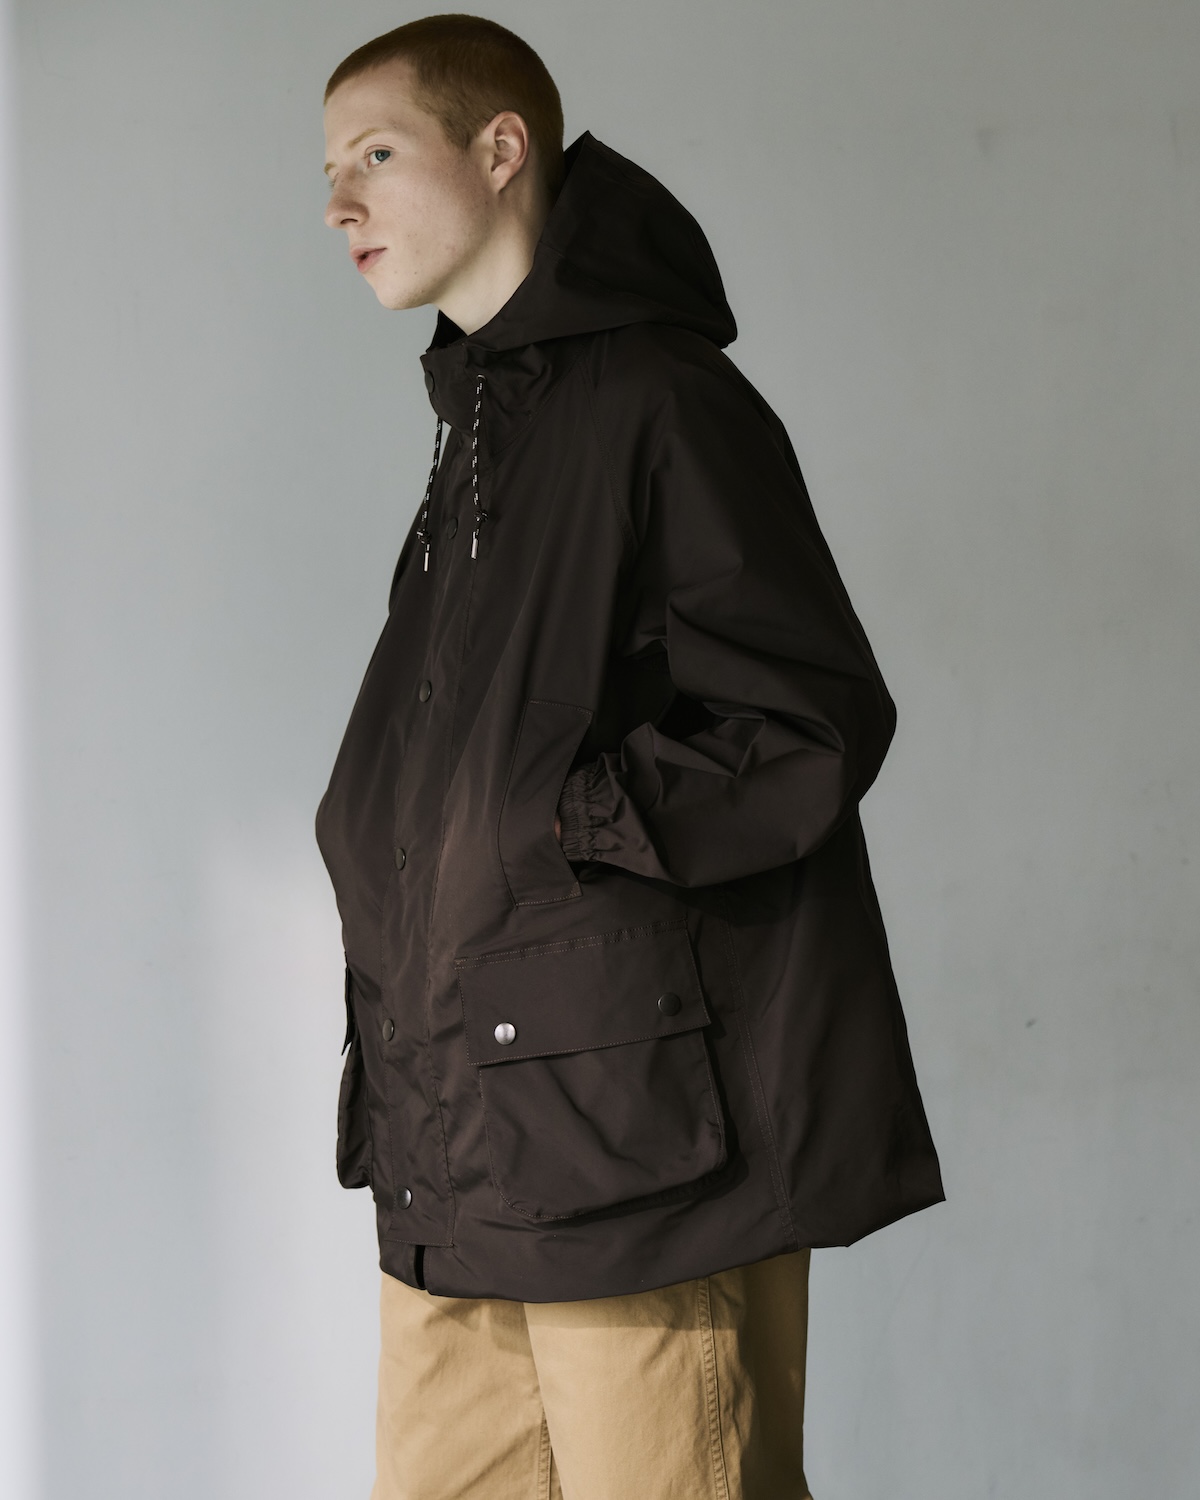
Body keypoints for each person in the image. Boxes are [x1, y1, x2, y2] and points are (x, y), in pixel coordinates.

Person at [316, 15, 944, 1499]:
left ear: (501, 149)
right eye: (328, 170)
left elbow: (803, 722)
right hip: (458, 1143)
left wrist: (561, 825)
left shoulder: (658, 400)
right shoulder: (481, 436)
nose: (338, 203)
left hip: (631, 1152)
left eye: (376, 154)